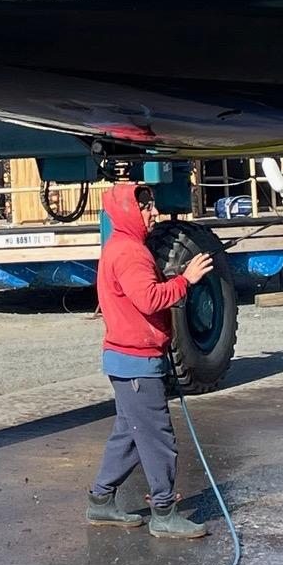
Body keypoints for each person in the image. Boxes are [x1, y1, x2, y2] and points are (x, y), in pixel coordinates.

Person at [85, 182, 214, 538]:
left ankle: (101, 501)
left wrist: (172, 279)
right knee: (158, 439)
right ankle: (164, 513)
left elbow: (141, 293)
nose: (153, 212)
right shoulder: (130, 253)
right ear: (128, 211)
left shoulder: (122, 248)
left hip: (126, 362)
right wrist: (185, 281)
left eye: (152, 205)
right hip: (137, 363)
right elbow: (149, 300)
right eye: (145, 208)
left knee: (128, 435)